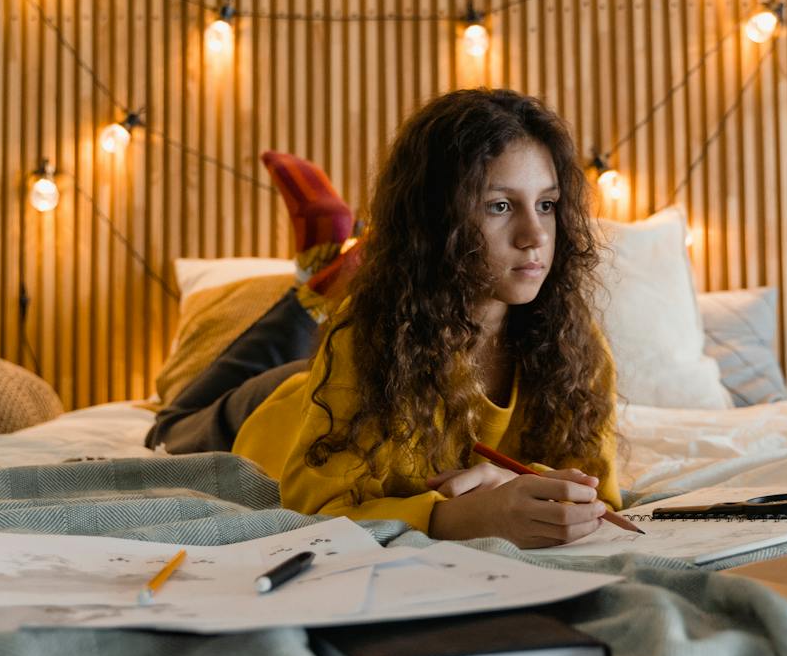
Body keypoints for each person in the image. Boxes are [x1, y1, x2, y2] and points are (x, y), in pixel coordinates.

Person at [151, 88, 622, 548]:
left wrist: (516, 485)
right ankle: (311, 285)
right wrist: (458, 516)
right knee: (170, 425)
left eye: (547, 204)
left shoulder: (576, 347)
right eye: (499, 206)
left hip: (337, 385)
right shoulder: (369, 338)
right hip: (271, 413)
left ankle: (320, 266)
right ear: (438, 221)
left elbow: (598, 495)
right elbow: (321, 511)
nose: (535, 235)